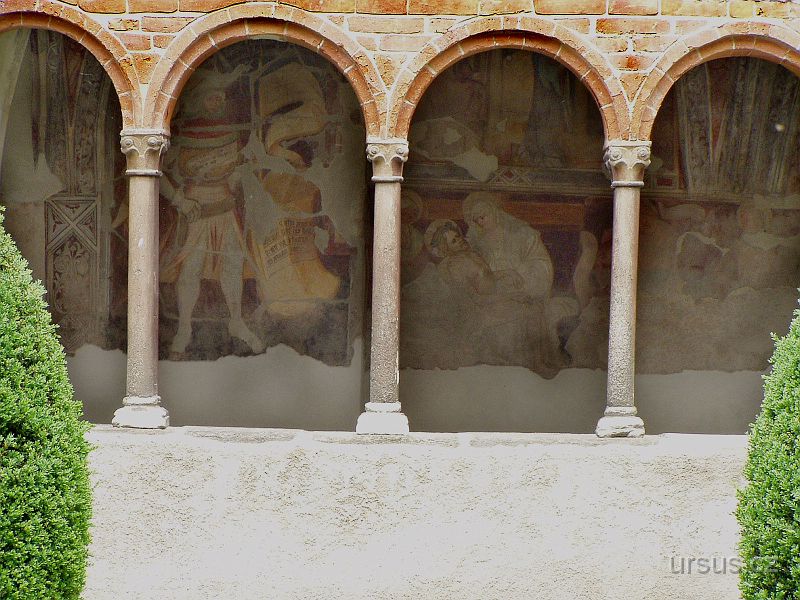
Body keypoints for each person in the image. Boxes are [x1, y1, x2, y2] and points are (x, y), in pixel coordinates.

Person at [160, 67, 264, 356]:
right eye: (211, 96)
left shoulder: (230, 134)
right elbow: (158, 171)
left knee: (232, 264)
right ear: (199, 99)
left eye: (221, 96)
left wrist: (240, 172)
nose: (217, 101)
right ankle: (184, 328)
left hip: (225, 208)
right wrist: (180, 201)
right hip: (195, 211)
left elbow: (235, 173)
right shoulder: (184, 135)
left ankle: (236, 321)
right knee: (191, 267)